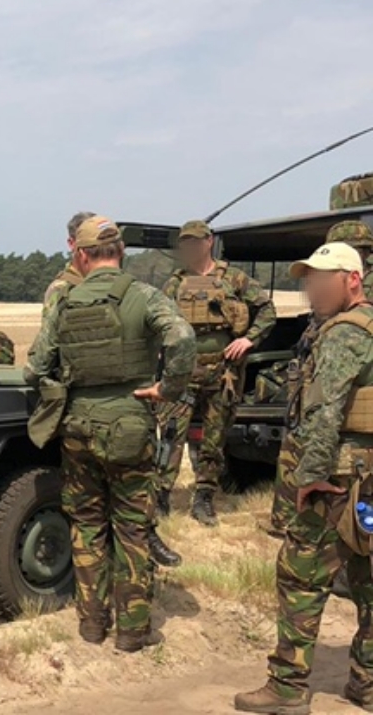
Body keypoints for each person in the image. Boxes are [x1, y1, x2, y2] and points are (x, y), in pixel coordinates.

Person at [25, 216, 196, 653]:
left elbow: (37, 365)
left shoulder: (64, 302)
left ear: (80, 255)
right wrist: (167, 389)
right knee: (133, 530)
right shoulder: (143, 296)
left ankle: (92, 625)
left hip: (79, 427)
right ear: (121, 252)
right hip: (130, 427)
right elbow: (182, 337)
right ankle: (133, 630)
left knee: (85, 526)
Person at [234, 242, 373, 715]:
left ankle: (287, 688)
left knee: (299, 576)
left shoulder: (344, 333)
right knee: (368, 580)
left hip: (336, 480)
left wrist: (308, 478)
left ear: (352, 280)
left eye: (323, 279)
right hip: (364, 478)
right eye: (309, 279)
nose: (312, 288)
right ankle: (366, 682)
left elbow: (324, 411)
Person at [38, 211, 182, 569]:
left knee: (106, 516)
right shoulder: (64, 290)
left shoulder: (114, 290)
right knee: (102, 513)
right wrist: (169, 388)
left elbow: (38, 362)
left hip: (97, 414)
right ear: (76, 248)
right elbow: (52, 355)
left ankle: (98, 614)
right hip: (94, 405)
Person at [159, 220, 276, 526]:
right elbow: (155, 320)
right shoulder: (174, 283)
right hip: (183, 371)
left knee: (214, 439)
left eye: (195, 242)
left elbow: (267, 310)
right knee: (170, 435)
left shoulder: (234, 279)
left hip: (222, 372)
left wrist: (248, 339)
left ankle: (204, 498)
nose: (190, 248)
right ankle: (160, 498)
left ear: (208, 242)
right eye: (185, 243)